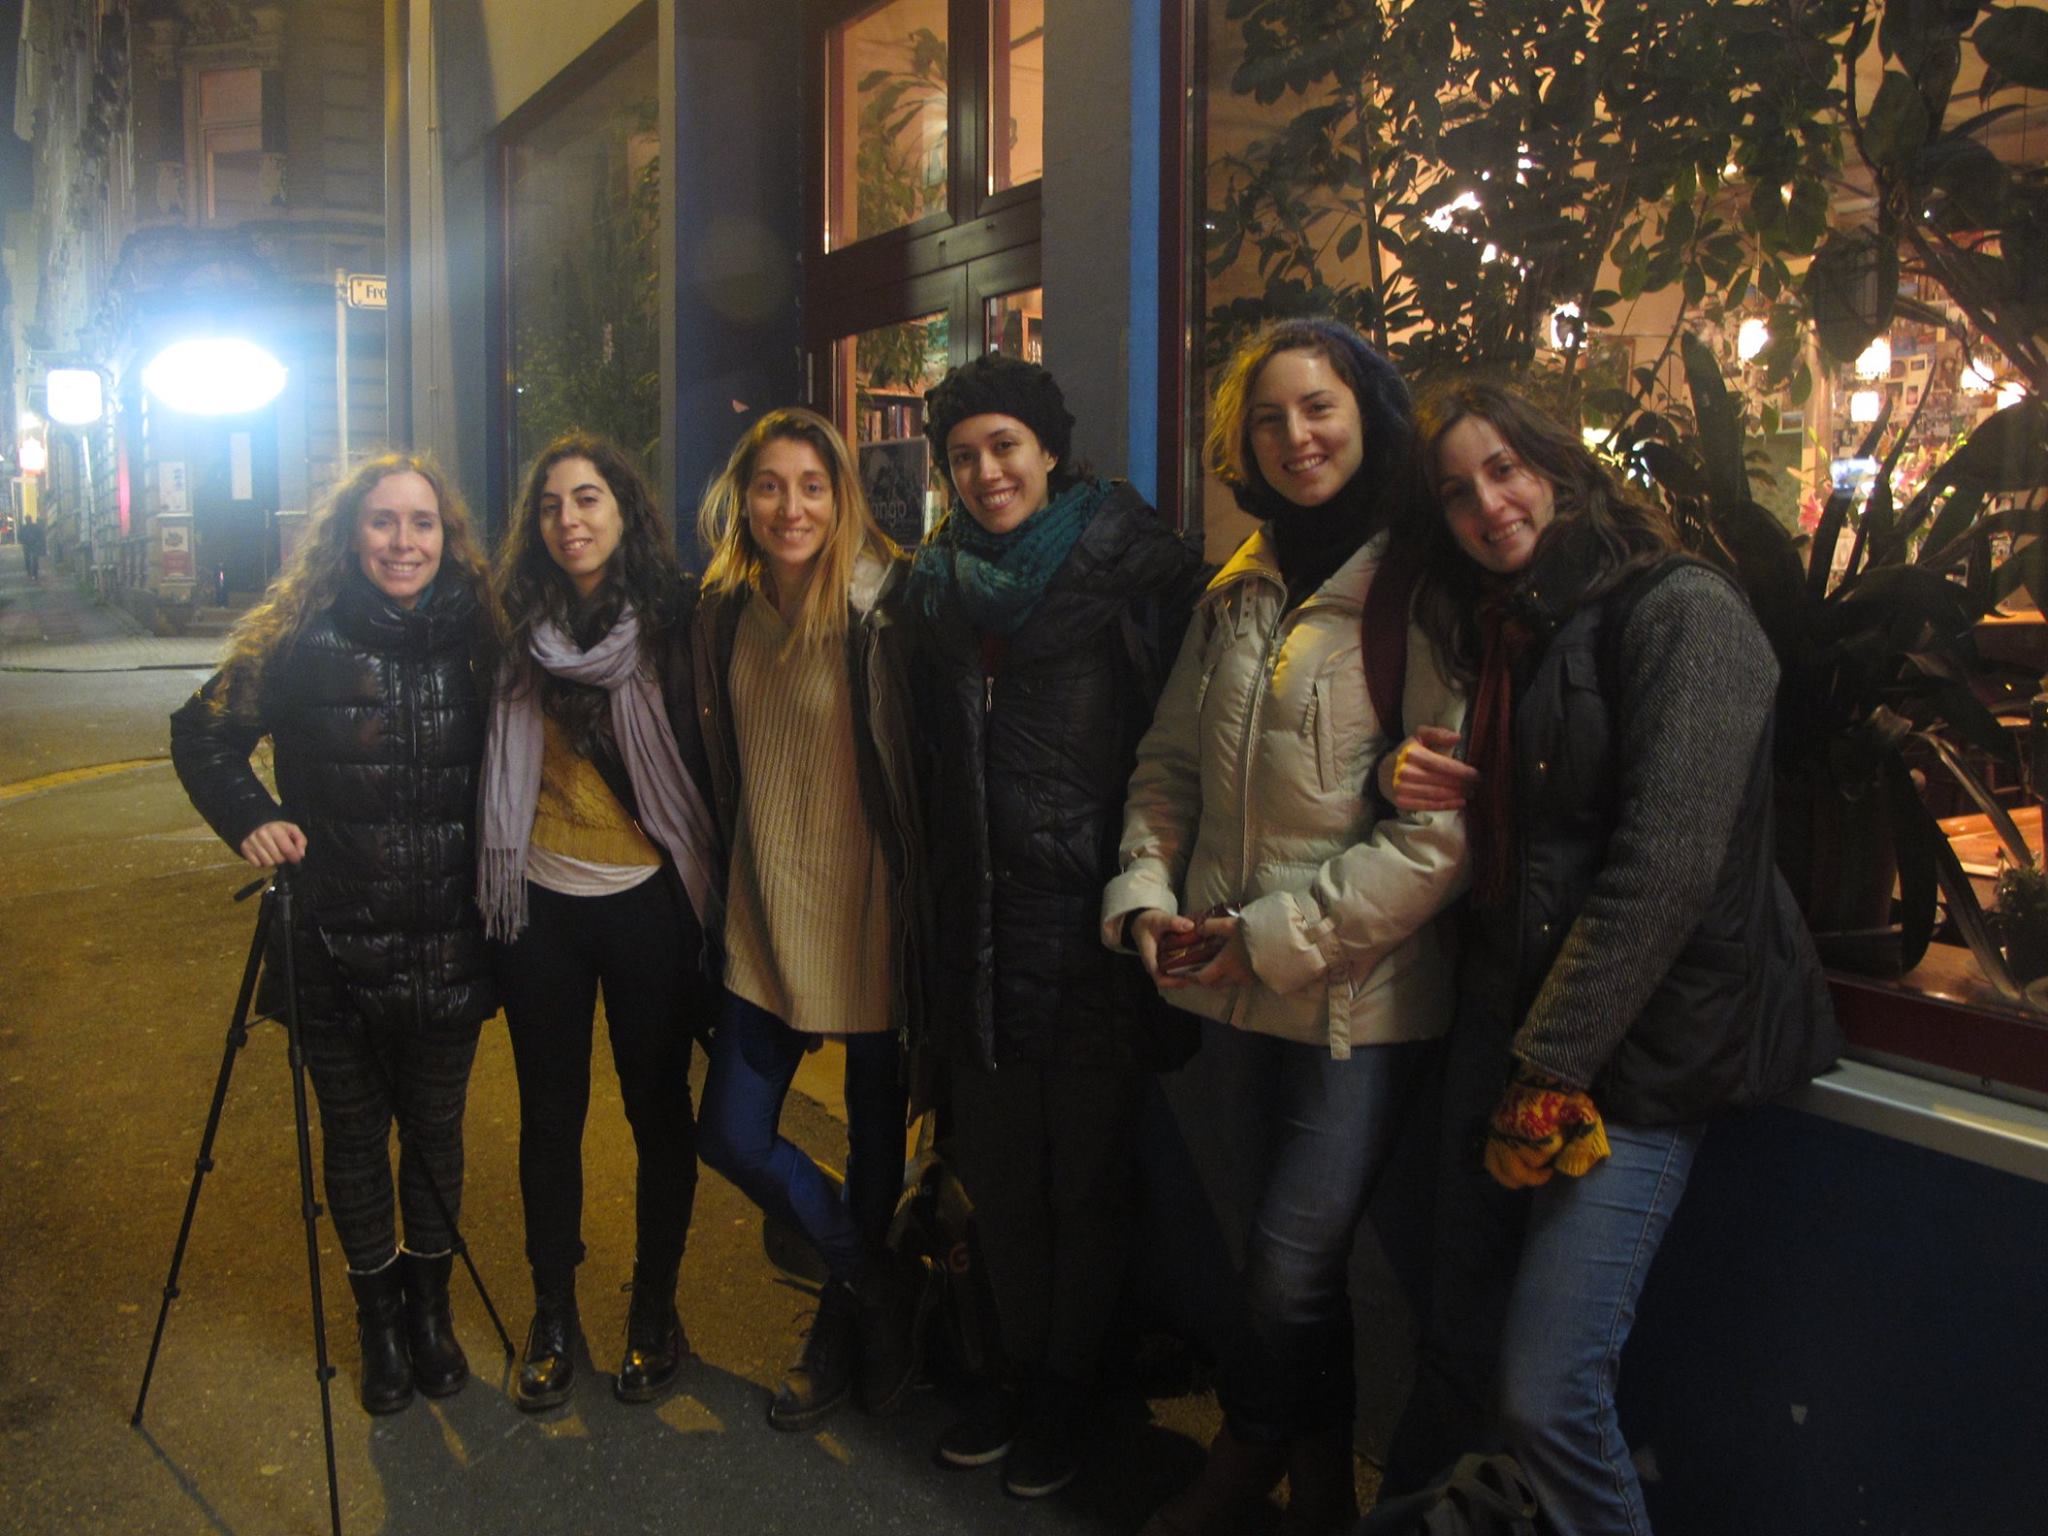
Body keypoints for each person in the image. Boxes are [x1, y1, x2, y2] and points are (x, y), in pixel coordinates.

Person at [1376, 382, 1840, 1534]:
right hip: (1509, 1021)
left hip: (1630, 1055)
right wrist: (1399, 774)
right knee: (1458, 1343)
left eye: (1504, 470)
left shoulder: (1682, 610)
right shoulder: (1508, 628)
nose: (1487, 505)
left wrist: (1548, 1069)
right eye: (1456, 491)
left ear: (1559, 467)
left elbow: (1664, 868)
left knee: (1545, 1391)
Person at [1102, 318, 1468, 1536]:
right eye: (1268, 418)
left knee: (1285, 1269)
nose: (1294, 435)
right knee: (1278, 1271)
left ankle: (1247, 1451)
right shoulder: (1238, 588)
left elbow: (1438, 839)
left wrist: (1266, 935)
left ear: (1366, 415)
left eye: (1318, 407)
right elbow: (1167, 765)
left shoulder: (1418, 588)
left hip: (1359, 1005)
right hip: (1224, 985)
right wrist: (1144, 896)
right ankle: (1317, 1494)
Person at [906, 352, 1206, 1497]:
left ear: (1047, 451)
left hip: (1089, 937)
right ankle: (1017, 1372)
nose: (987, 472)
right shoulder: (931, 592)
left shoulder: (1131, 573)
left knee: (1085, 1186)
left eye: (1004, 447)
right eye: (963, 456)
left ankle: (1067, 1393)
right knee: (1001, 1182)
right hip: (976, 937)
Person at [170, 453, 497, 1415]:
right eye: (384, 522)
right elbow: (201, 733)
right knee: (354, 1136)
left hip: (449, 939)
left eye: (423, 523)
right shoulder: (298, 640)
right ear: (351, 535)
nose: (404, 542)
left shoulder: (480, 635)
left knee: (435, 1136)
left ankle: (431, 1310)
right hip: (331, 943)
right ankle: (378, 1321)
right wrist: (252, 818)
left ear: (447, 537)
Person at [691, 406, 929, 1431]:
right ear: (742, 499)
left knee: (876, 1141)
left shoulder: (887, 607)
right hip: (764, 906)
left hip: (867, 909)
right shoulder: (723, 613)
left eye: (811, 486)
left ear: (842, 499)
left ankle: (842, 1323)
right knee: (731, 1135)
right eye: (769, 486)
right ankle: (875, 1282)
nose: (790, 507)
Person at [478, 431, 721, 1411]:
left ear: (624, 510)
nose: (568, 520)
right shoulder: (511, 628)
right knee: (549, 1116)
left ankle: (655, 1307)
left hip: (648, 903)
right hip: (537, 902)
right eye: (550, 505)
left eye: (586, 499)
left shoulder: (676, 622)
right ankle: (551, 1310)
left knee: (657, 1110)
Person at [20, 516, 44, 582]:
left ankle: (33, 574)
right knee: (29, 559)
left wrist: (39, 542)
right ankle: (31, 573)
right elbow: (20, 536)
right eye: (27, 520)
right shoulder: (27, 527)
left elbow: (40, 535)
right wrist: (23, 542)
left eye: (28, 519)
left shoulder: (27, 527)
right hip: (29, 545)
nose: (28, 521)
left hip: (33, 545)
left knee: (33, 559)